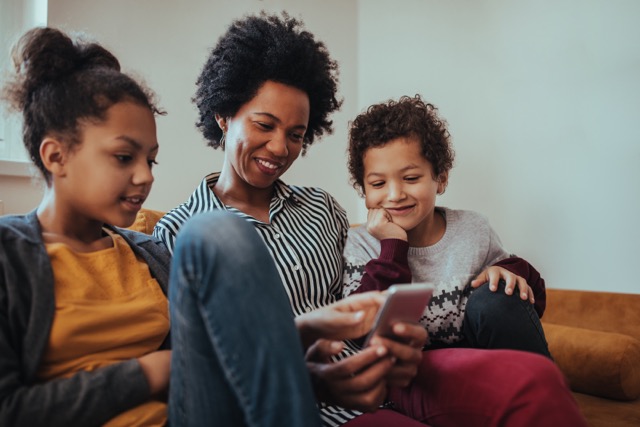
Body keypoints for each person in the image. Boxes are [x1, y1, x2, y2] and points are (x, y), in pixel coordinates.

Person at [155, 11, 588, 427]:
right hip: (308, 402)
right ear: (223, 114)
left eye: (296, 134)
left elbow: (370, 291)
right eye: (264, 125)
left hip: (395, 377)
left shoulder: (322, 210)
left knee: (535, 382)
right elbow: (195, 366)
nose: (279, 147)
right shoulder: (177, 234)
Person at [0, 26, 367, 427]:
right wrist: (153, 370)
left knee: (214, 231)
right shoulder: (10, 254)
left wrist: (309, 343)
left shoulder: (149, 254)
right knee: (211, 228)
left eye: (151, 160)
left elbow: (218, 361)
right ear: (56, 155)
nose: (145, 177)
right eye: (124, 157)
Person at [343, 95, 551, 357]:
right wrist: (393, 246)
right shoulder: (359, 244)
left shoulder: (473, 229)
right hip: (409, 378)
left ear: (440, 179)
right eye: (378, 184)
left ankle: (542, 392)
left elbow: (527, 302)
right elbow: (359, 330)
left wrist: (507, 271)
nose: (394, 194)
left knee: (497, 298)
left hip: (474, 368)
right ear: (363, 190)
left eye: (410, 178)